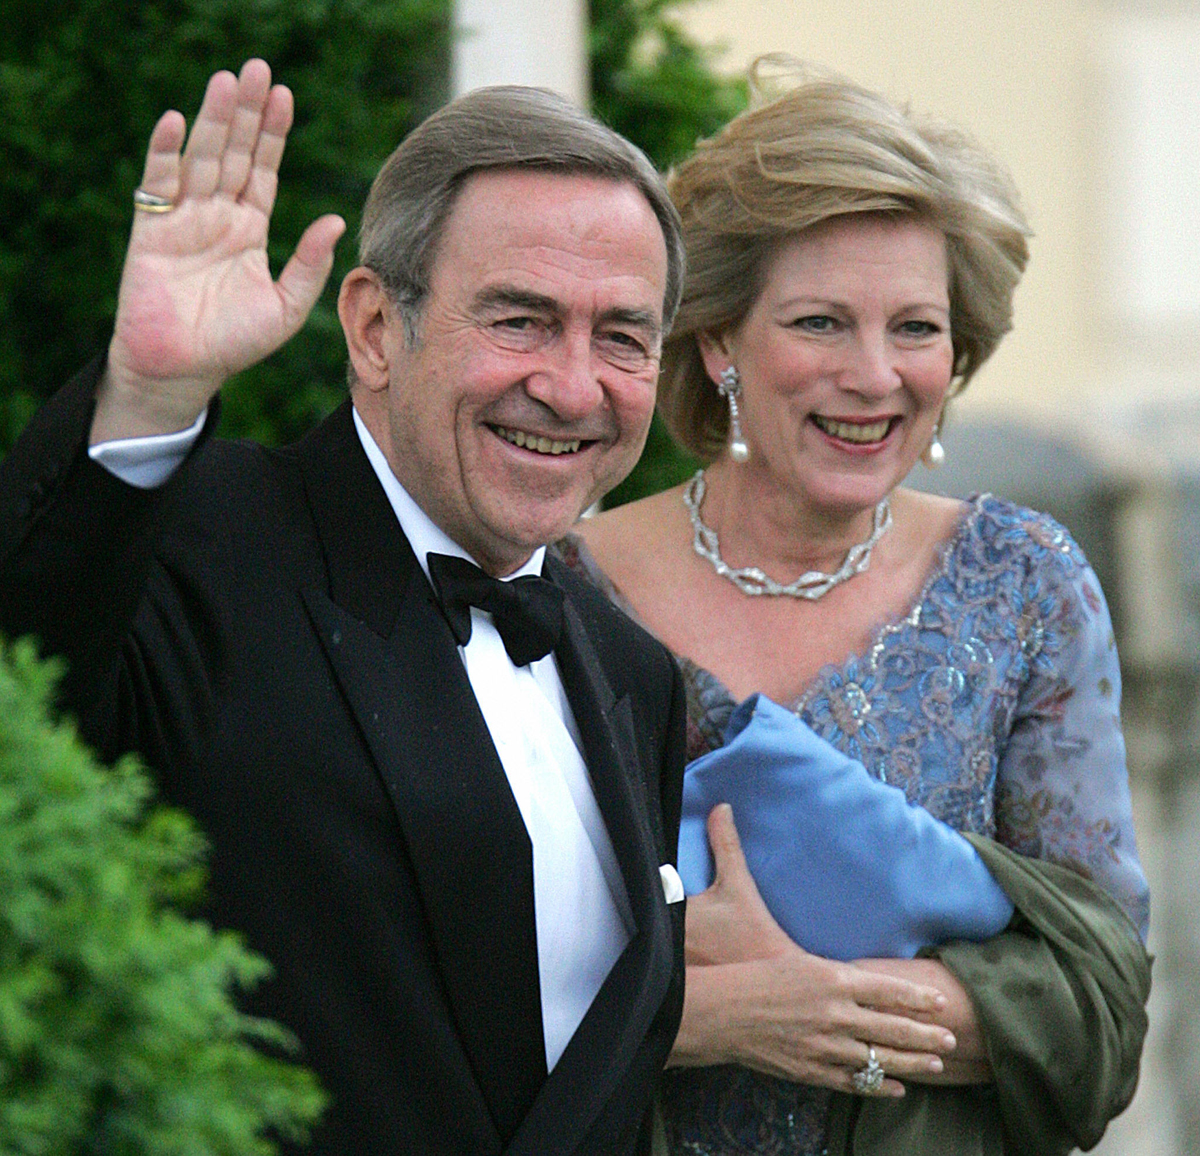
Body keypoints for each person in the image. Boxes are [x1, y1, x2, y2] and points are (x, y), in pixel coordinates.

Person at [0, 58, 797, 1156]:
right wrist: (146, 397)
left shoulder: (630, 672)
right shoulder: (202, 539)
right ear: (375, 329)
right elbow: (24, 682)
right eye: (520, 319)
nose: (574, 387)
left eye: (621, 336)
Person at [562, 62, 1152, 1155]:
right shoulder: (565, 591)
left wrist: (816, 1003)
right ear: (718, 340)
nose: (875, 375)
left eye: (916, 328)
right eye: (822, 322)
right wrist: (702, 1019)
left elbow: (1101, 1005)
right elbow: (466, 980)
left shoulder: (1025, 582)